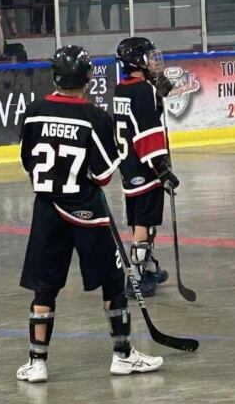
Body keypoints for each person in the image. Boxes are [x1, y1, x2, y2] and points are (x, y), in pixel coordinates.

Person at [16, 45, 164, 383]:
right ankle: (123, 355)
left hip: (46, 211)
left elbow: (27, 162)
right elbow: (103, 176)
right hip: (87, 213)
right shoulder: (95, 117)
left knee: (45, 288)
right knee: (113, 284)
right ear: (87, 78)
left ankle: (37, 363)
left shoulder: (34, 110)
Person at [113, 37, 180, 297]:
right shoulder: (143, 91)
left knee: (142, 220)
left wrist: (157, 94)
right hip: (145, 167)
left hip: (129, 167)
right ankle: (136, 277)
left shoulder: (123, 88)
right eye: (148, 56)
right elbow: (148, 135)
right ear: (137, 60)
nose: (153, 61)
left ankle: (147, 266)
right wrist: (162, 171)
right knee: (145, 223)